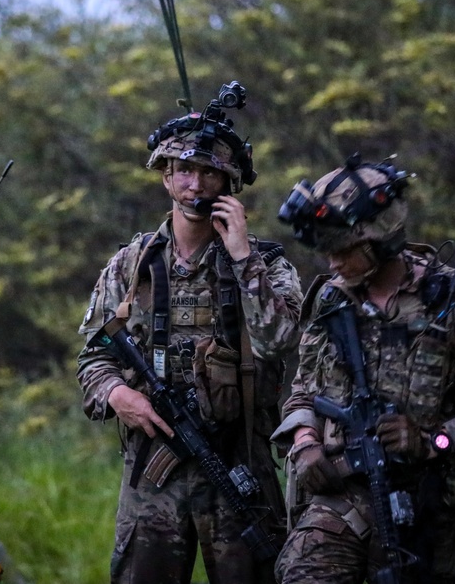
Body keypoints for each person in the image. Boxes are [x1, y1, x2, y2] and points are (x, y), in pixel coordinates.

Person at [77, 83, 304, 584]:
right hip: (153, 470)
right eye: (184, 171)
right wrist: (118, 395)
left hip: (238, 461)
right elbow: (93, 357)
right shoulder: (133, 264)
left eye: (209, 173)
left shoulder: (266, 264)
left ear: (229, 183)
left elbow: (283, 342)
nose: (195, 185)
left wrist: (243, 259)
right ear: (166, 178)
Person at [272, 155, 455, 584]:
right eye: (326, 250)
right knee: (303, 571)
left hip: (428, 498)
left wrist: (431, 441)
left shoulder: (454, 298)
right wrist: (306, 439)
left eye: (344, 250)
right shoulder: (331, 299)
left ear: (380, 241)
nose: (333, 263)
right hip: (342, 491)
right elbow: (303, 391)